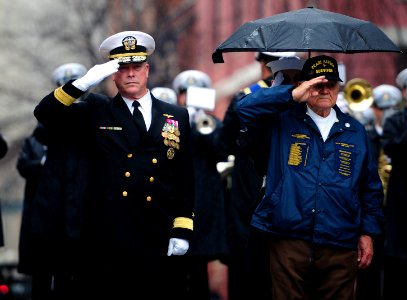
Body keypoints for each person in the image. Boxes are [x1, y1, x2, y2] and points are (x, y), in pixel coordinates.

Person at [34, 31, 194, 300]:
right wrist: (83, 84)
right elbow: (45, 113)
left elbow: (184, 177)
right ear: (113, 74)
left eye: (136, 67)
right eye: (123, 68)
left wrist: (182, 229)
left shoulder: (175, 114)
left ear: (147, 69)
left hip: (159, 232)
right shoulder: (97, 110)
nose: (130, 74)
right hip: (110, 237)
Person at [236, 55, 384, 300]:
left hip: (340, 238)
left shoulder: (354, 130)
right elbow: (244, 108)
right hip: (289, 236)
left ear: (339, 88)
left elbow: (370, 187)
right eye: (318, 84)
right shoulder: (282, 121)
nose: (325, 89)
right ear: (305, 86)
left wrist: (367, 232)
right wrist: (292, 95)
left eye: (331, 84)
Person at [219, 54, 305, 300]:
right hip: (250, 199)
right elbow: (226, 145)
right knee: (248, 280)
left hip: (289, 208)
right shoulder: (248, 97)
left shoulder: (307, 102)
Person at [16, 63, 88, 300]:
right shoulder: (44, 127)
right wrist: (42, 165)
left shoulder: (91, 119)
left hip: (78, 217)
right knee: (44, 281)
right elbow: (24, 164)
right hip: (46, 217)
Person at [172, 69, 228, 300]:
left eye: (194, 93)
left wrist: (201, 125)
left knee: (198, 273)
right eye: (184, 93)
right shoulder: (170, 121)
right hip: (177, 204)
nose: (188, 99)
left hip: (203, 205)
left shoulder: (212, 123)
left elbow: (220, 151)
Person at [355, 84, 402, 300]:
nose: (383, 113)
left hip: (396, 207)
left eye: (388, 109)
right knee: (368, 266)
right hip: (373, 209)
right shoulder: (366, 135)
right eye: (379, 108)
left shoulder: (398, 130)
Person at [381, 66, 407, 300]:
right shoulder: (396, 120)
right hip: (403, 203)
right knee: (399, 269)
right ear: (404, 92)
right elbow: (392, 148)